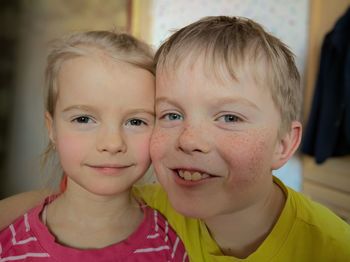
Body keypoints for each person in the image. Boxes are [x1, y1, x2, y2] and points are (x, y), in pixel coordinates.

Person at [1, 17, 350, 261]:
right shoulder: (159, 202)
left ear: (284, 144)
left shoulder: (334, 249)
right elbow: (67, 199)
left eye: (229, 117)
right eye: (171, 115)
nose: (189, 140)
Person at [0, 30, 188, 261]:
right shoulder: (8, 244)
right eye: (83, 119)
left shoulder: (172, 244)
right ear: (52, 128)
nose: (112, 144)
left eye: (136, 121)